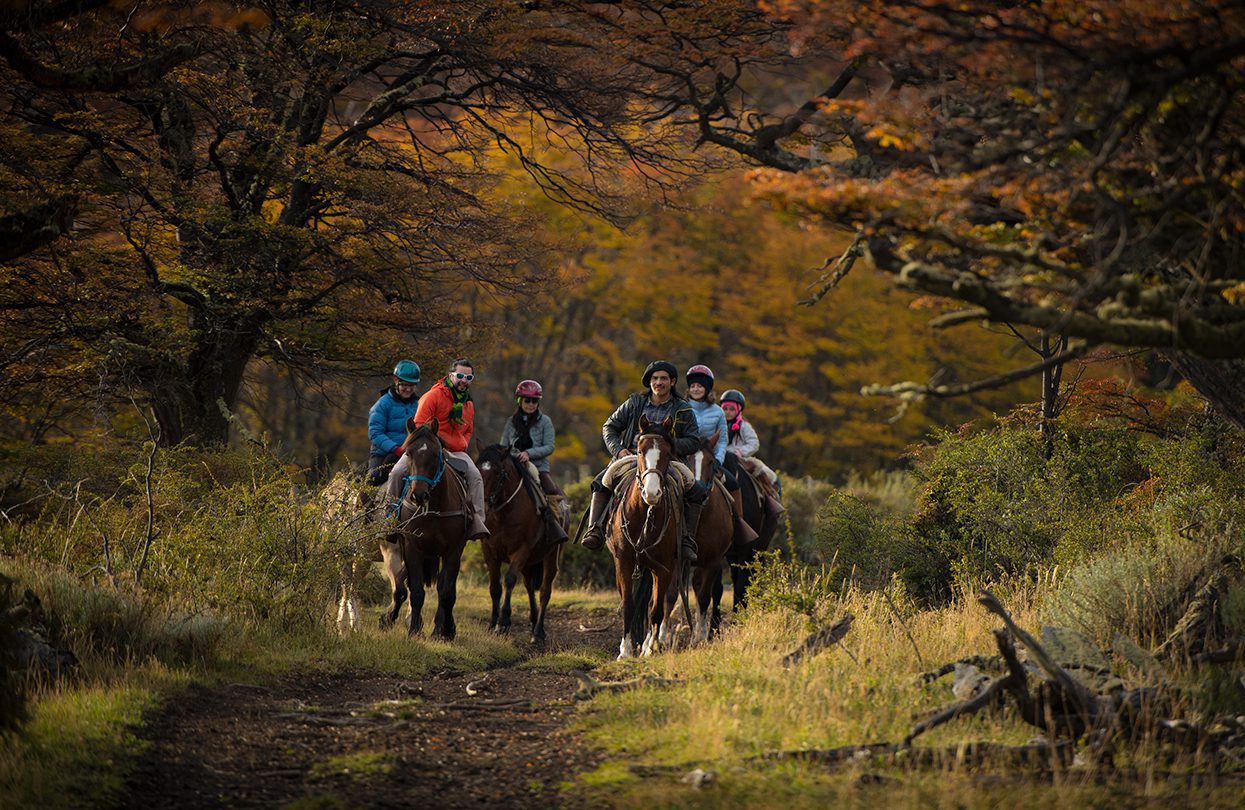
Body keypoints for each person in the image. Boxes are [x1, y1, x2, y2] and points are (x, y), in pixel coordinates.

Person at [580, 360, 705, 562]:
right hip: (631, 457)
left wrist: (668, 446)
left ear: (672, 382)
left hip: (668, 460)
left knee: (696, 490)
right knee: (600, 482)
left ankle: (686, 540)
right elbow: (609, 427)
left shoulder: (683, 409)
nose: (659, 382)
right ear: (649, 382)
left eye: (664, 378)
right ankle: (595, 530)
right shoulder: (634, 403)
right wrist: (619, 450)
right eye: (655, 378)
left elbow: (693, 440)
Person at [386, 359, 490, 540]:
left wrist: (461, 444)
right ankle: (390, 519)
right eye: (459, 376)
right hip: (428, 449)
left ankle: (477, 522)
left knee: (476, 476)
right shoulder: (433, 396)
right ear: (450, 375)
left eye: (468, 377)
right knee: (396, 473)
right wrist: (438, 445)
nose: (463, 380)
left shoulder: (468, 404)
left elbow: (468, 431)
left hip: (455, 451)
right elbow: (418, 426)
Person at [684, 365, 758, 545]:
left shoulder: (717, 411)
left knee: (733, 483)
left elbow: (723, 440)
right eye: (693, 385)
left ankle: (739, 524)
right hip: (686, 458)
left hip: (710, 460)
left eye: (700, 386)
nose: (696, 389)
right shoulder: (682, 408)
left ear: (707, 388)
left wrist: (718, 460)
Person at [499, 379, 569, 545]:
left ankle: (554, 526)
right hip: (513, 465)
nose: (531, 404)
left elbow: (550, 446)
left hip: (537, 467)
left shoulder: (545, 421)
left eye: (535, 401)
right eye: (527, 400)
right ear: (519, 400)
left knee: (551, 489)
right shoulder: (511, 422)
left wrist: (529, 454)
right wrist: (513, 455)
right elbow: (503, 445)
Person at [720, 389, 784, 516]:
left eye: (731, 409)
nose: (728, 412)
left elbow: (754, 443)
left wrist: (741, 451)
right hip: (721, 457)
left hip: (741, 458)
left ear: (738, 410)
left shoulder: (744, 426)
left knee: (762, 472)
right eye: (725, 409)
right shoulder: (718, 424)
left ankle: (771, 496)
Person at [367, 360, 421, 485]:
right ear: (396, 381)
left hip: (410, 453)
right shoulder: (383, 403)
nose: (407, 389)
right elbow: (375, 433)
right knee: (374, 479)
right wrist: (395, 449)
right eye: (404, 385)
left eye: (411, 386)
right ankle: (362, 505)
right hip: (383, 453)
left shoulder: (419, 405)